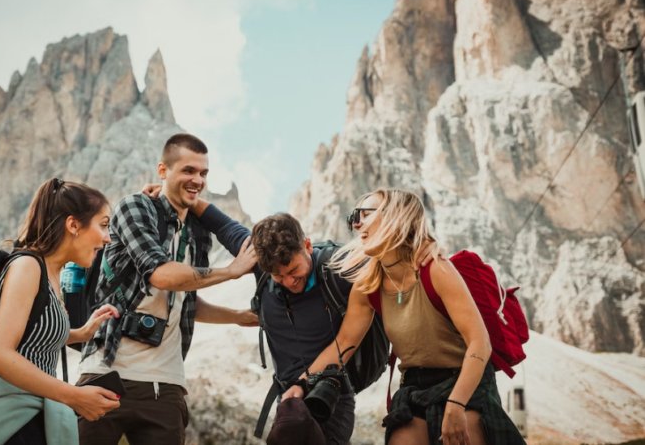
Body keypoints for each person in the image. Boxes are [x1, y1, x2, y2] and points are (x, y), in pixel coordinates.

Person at [138, 193, 435, 445]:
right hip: (288, 397)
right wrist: (176, 195)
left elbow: (390, 253)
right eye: (277, 276)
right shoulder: (262, 265)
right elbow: (221, 223)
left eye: (294, 271)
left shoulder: (339, 268)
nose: (288, 281)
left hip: (330, 394)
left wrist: (425, 248)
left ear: (307, 246)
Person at [77, 133, 259, 445]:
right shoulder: (134, 208)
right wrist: (230, 272)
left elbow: (183, 297)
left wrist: (236, 316)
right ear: (163, 171)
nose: (198, 180)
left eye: (203, 173)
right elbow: (161, 276)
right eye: (188, 170)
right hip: (106, 373)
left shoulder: (199, 232)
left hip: (167, 385)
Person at [303, 189, 525, 445]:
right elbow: (342, 346)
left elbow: (480, 343)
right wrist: (300, 384)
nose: (356, 223)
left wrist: (456, 404)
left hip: (465, 379)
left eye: (366, 215)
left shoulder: (436, 270)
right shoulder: (367, 287)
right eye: (355, 216)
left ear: (395, 217)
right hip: (414, 386)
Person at [0, 178, 123, 445]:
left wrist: (81, 333)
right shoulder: (28, 266)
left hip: (32, 414)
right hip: (8, 421)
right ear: (73, 225)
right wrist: (74, 396)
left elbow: (31, 337)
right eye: (103, 225)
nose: (107, 238)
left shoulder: (50, 273)